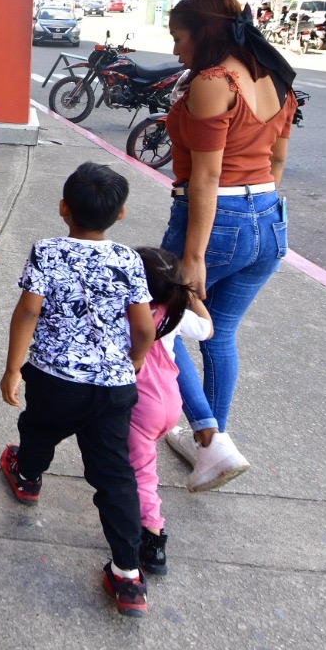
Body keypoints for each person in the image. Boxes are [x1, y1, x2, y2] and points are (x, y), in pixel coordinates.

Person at [0, 162, 155, 617]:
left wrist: (12, 368)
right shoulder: (128, 259)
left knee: (38, 429)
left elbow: (29, 311)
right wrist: (135, 359)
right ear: (120, 214)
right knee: (115, 475)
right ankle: (127, 575)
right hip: (113, 387)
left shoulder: (47, 251)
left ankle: (27, 477)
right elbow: (143, 325)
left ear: (63, 208)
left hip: (55, 379)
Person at [161, 0, 295, 491]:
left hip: (218, 219)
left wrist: (195, 255)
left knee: (158, 318)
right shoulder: (276, 78)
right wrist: (256, 210)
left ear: (205, 33)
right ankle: (209, 447)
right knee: (220, 333)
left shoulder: (214, 83)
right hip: (270, 218)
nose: (176, 49)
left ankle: (209, 438)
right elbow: (277, 161)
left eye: (180, 37)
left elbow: (206, 177)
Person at [126, 247, 213, 579]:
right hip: (171, 404)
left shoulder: (128, 313)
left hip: (141, 407)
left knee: (143, 474)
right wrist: (191, 297)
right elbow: (207, 329)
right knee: (141, 463)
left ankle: (153, 536)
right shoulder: (174, 315)